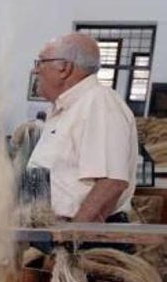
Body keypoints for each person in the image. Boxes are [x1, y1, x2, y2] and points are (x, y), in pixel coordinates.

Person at [27, 32, 137, 223]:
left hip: (83, 238)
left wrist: (73, 238)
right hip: (53, 229)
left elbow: (111, 183)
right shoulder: (66, 108)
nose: (35, 70)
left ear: (64, 67)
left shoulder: (99, 104)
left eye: (40, 62)